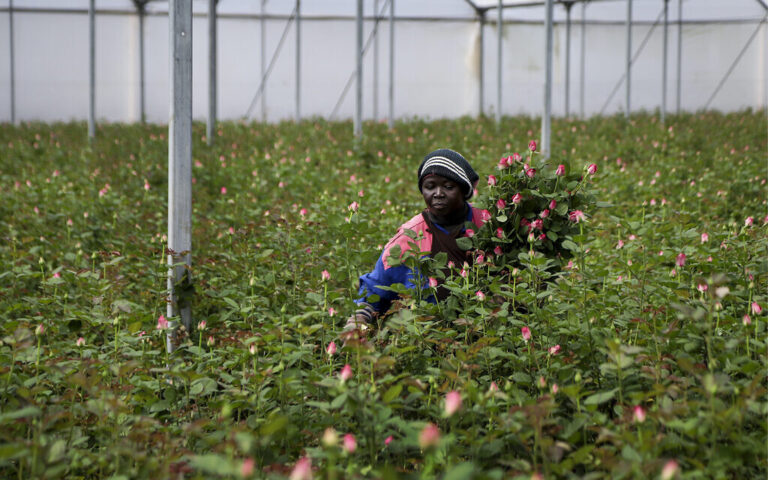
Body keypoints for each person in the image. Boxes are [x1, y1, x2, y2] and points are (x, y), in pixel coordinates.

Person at [347, 148, 487, 332]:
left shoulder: (486, 225)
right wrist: (358, 320)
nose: (438, 193)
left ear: (464, 190)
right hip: (425, 338)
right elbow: (375, 290)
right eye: (430, 186)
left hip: (483, 330)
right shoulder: (408, 238)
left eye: (448, 186)